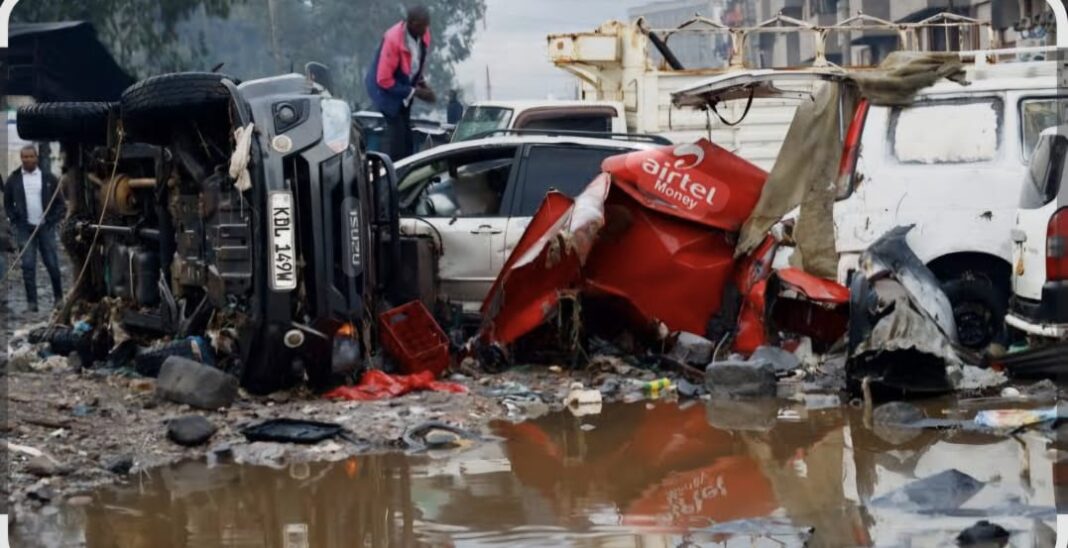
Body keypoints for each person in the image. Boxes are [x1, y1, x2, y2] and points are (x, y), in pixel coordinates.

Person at [365, 5, 435, 162]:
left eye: (427, 25)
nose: (426, 30)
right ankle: (396, 175)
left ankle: (408, 169)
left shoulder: (423, 34)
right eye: (422, 26)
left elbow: (415, 64)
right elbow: (383, 80)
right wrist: (415, 92)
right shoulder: (393, 40)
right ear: (411, 23)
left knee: (407, 138)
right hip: (384, 92)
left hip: (403, 88)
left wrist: (421, 83)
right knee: (398, 139)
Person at [4, 145, 65, 312]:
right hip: (25, 228)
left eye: (31, 156)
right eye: (24, 157)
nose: (28, 160)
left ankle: (59, 298)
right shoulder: (14, 179)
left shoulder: (48, 178)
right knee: (28, 266)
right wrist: (14, 219)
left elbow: (60, 203)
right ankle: (32, 303)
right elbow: (7, 202)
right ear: (21, 158)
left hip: (45, 227)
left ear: (36, 158)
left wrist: (51, 219)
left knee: (52, 263)